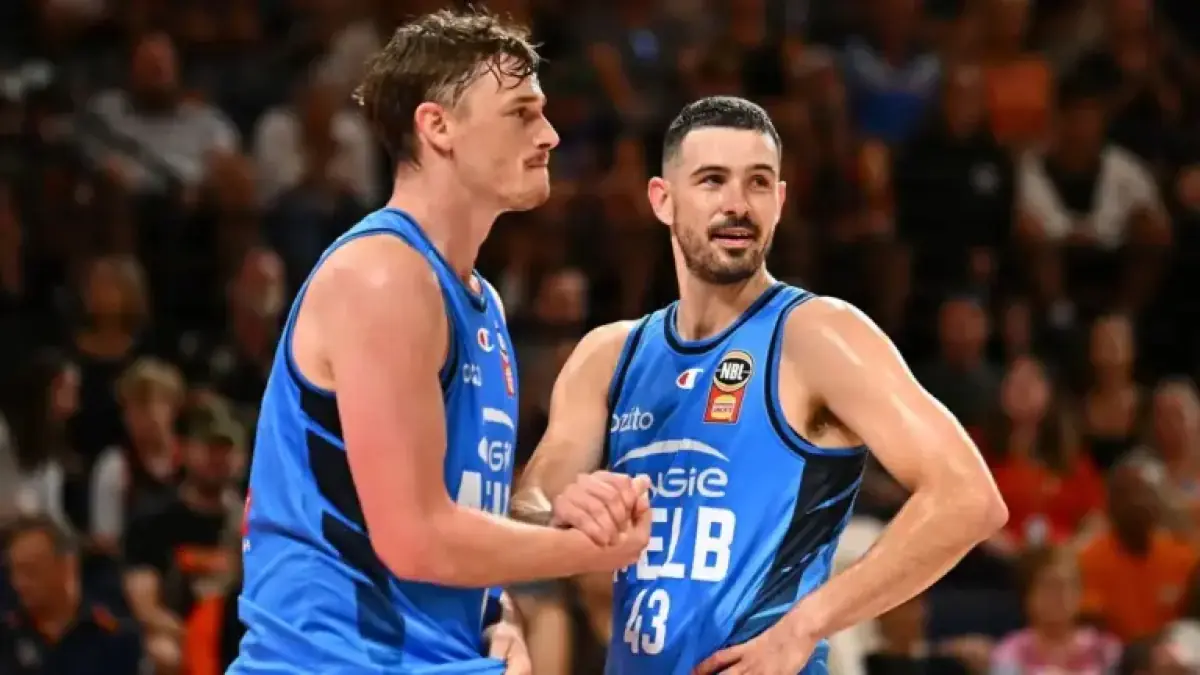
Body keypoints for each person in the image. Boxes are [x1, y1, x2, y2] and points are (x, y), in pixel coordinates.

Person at [513, 96, 1008, 674]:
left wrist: (805, 625)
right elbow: (528, 505)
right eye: (712, 180)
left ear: (780, 201)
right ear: (662, 200)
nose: (737, 205)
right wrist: (561, 510)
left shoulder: (815, 335)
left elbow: (968, 498)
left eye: (758, 183)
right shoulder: (609, 355)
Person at [229, 9, 651, 675]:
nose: (549, 134)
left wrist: (498, 613)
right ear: (438, 126)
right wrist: (587, 551)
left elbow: (459, 515)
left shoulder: (480, 303)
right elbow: (415, 537)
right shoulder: (383, 276)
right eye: (521, 113)